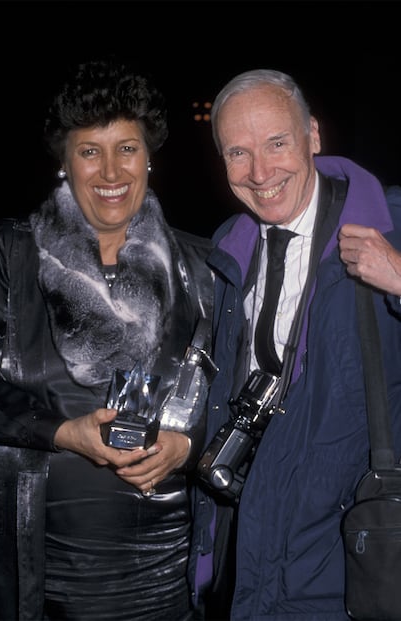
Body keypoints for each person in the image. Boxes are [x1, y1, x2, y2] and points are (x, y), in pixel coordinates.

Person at [0, 57, 215, 621]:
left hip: (169, 574)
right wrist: (63, 432)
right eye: (90, 150)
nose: (111, 170)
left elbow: (239, 397)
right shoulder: (9, 256)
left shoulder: (205, 269)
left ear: (149, 158)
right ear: (65, 161)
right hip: (34, 577)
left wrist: (188, 447)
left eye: (127, 148)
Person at [189, 69, 401, 620]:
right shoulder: (226, 251)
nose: (261, 173)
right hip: (251, 553)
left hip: (354, 560)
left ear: (313, 136)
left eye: (277, 143)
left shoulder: (393, 225)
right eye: (239, 152)